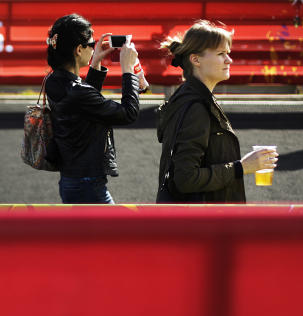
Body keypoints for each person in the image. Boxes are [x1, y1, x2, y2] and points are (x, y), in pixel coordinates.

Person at [156, 20, 274, 203]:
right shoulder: (195, 107)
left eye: (228, 53)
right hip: (201, 223)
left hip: (202, 221)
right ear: (195, 60)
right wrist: (241, 167)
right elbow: (185, 178)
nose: (229, 60)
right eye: (221, 54)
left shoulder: (191, 97)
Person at [44, 14, 141, 204]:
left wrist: (95, 63)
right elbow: (128, 114)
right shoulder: (77, 92)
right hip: (88, 185)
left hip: (71, 179)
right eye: (91, 43)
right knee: (117, 233)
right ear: (79, 50)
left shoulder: (54, 80)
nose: (94, 46)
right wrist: (128, 70)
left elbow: (84, 108)